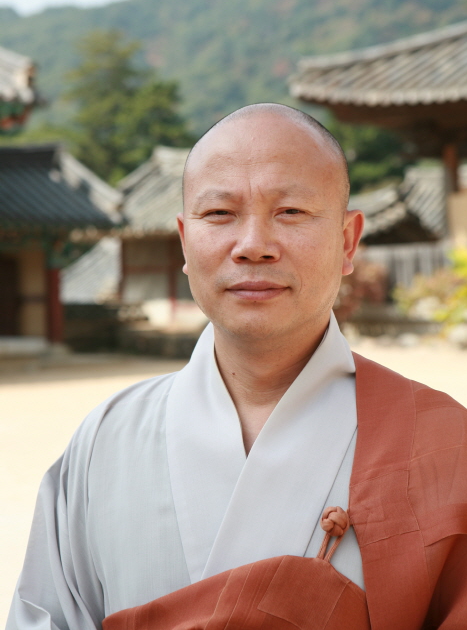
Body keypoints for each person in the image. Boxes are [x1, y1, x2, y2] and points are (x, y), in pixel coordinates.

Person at [7, 103, 467, 630]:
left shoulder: (442, 444)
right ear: (185, 240)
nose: (253, 246)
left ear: (347, 241)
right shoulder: (105, 440)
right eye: (220, 214)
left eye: (290, 211)